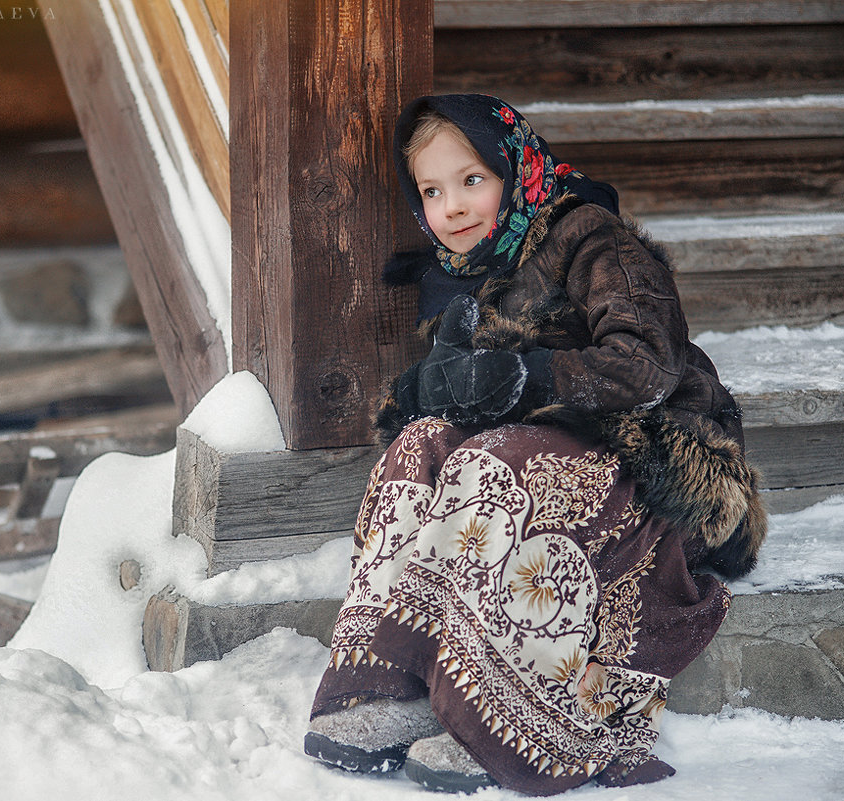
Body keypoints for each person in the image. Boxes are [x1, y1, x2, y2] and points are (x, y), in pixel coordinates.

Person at [303, 94, 767, 795]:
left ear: (515, 171)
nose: (452, 205)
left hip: (658, 468)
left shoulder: (593, 239)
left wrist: (526, 374)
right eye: (431, 190)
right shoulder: (459, 278)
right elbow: (465, 414)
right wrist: (431, 392)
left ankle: (517, 709)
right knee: (425, 445)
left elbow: (646, 366)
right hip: (552, 455)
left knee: (497, 463)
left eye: (472, 180)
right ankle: (402, 679)